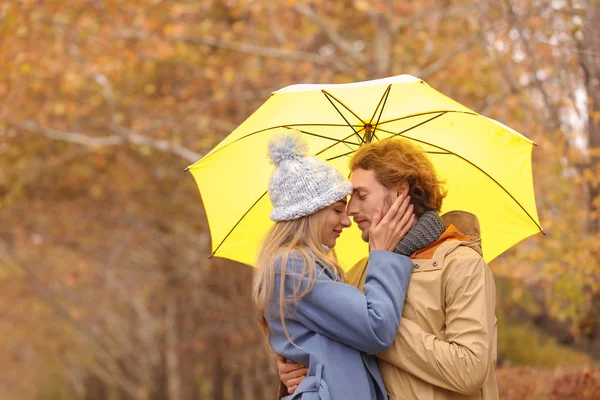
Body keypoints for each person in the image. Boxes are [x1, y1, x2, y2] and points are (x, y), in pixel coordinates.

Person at [277, 139, 499, 400]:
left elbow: (469, 370)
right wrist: (295, 368)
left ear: (400, 191)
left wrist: (374, 324)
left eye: (362, 195)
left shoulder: (462, 264)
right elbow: (338, 357)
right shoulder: (360, 272)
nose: (351, 210)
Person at [254, 133, 417, 399]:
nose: (347, 221)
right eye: (337, 210)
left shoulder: (306, 267)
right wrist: (382, 255)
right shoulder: (292, 268)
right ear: (311, 213)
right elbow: (376, 329)